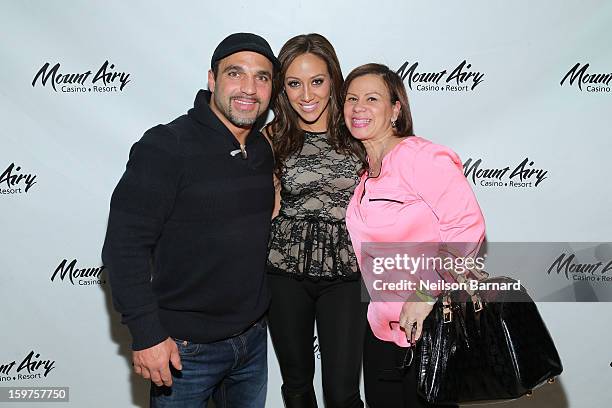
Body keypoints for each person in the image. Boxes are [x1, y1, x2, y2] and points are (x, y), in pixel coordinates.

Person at [102, 32, 279, 408]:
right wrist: (147, 335)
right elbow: (124, 246)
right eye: (236, 73)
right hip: (185, 351)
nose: (249, 88)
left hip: (251, 342)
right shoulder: (167, 146)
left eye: (262, 77)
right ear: (212, 80)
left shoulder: (262, 149)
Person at [343, 63, 486, 408]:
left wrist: (425, 294)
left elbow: (468, 228)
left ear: (396, 109)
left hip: (428, 327)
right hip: (380, 330)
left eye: (372, 98)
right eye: (351, 99)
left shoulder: (419, 156)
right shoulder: (366, 173)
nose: (358, 107)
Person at [265, 33, 368, 408]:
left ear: (333, 81)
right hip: (282, 271)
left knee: (342, 393)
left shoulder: (360, 133)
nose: (306, 94)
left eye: (317, 81)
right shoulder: (272, 136)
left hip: (346, 273)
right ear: (282, 89)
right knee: (296, 385)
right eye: (294, 83)